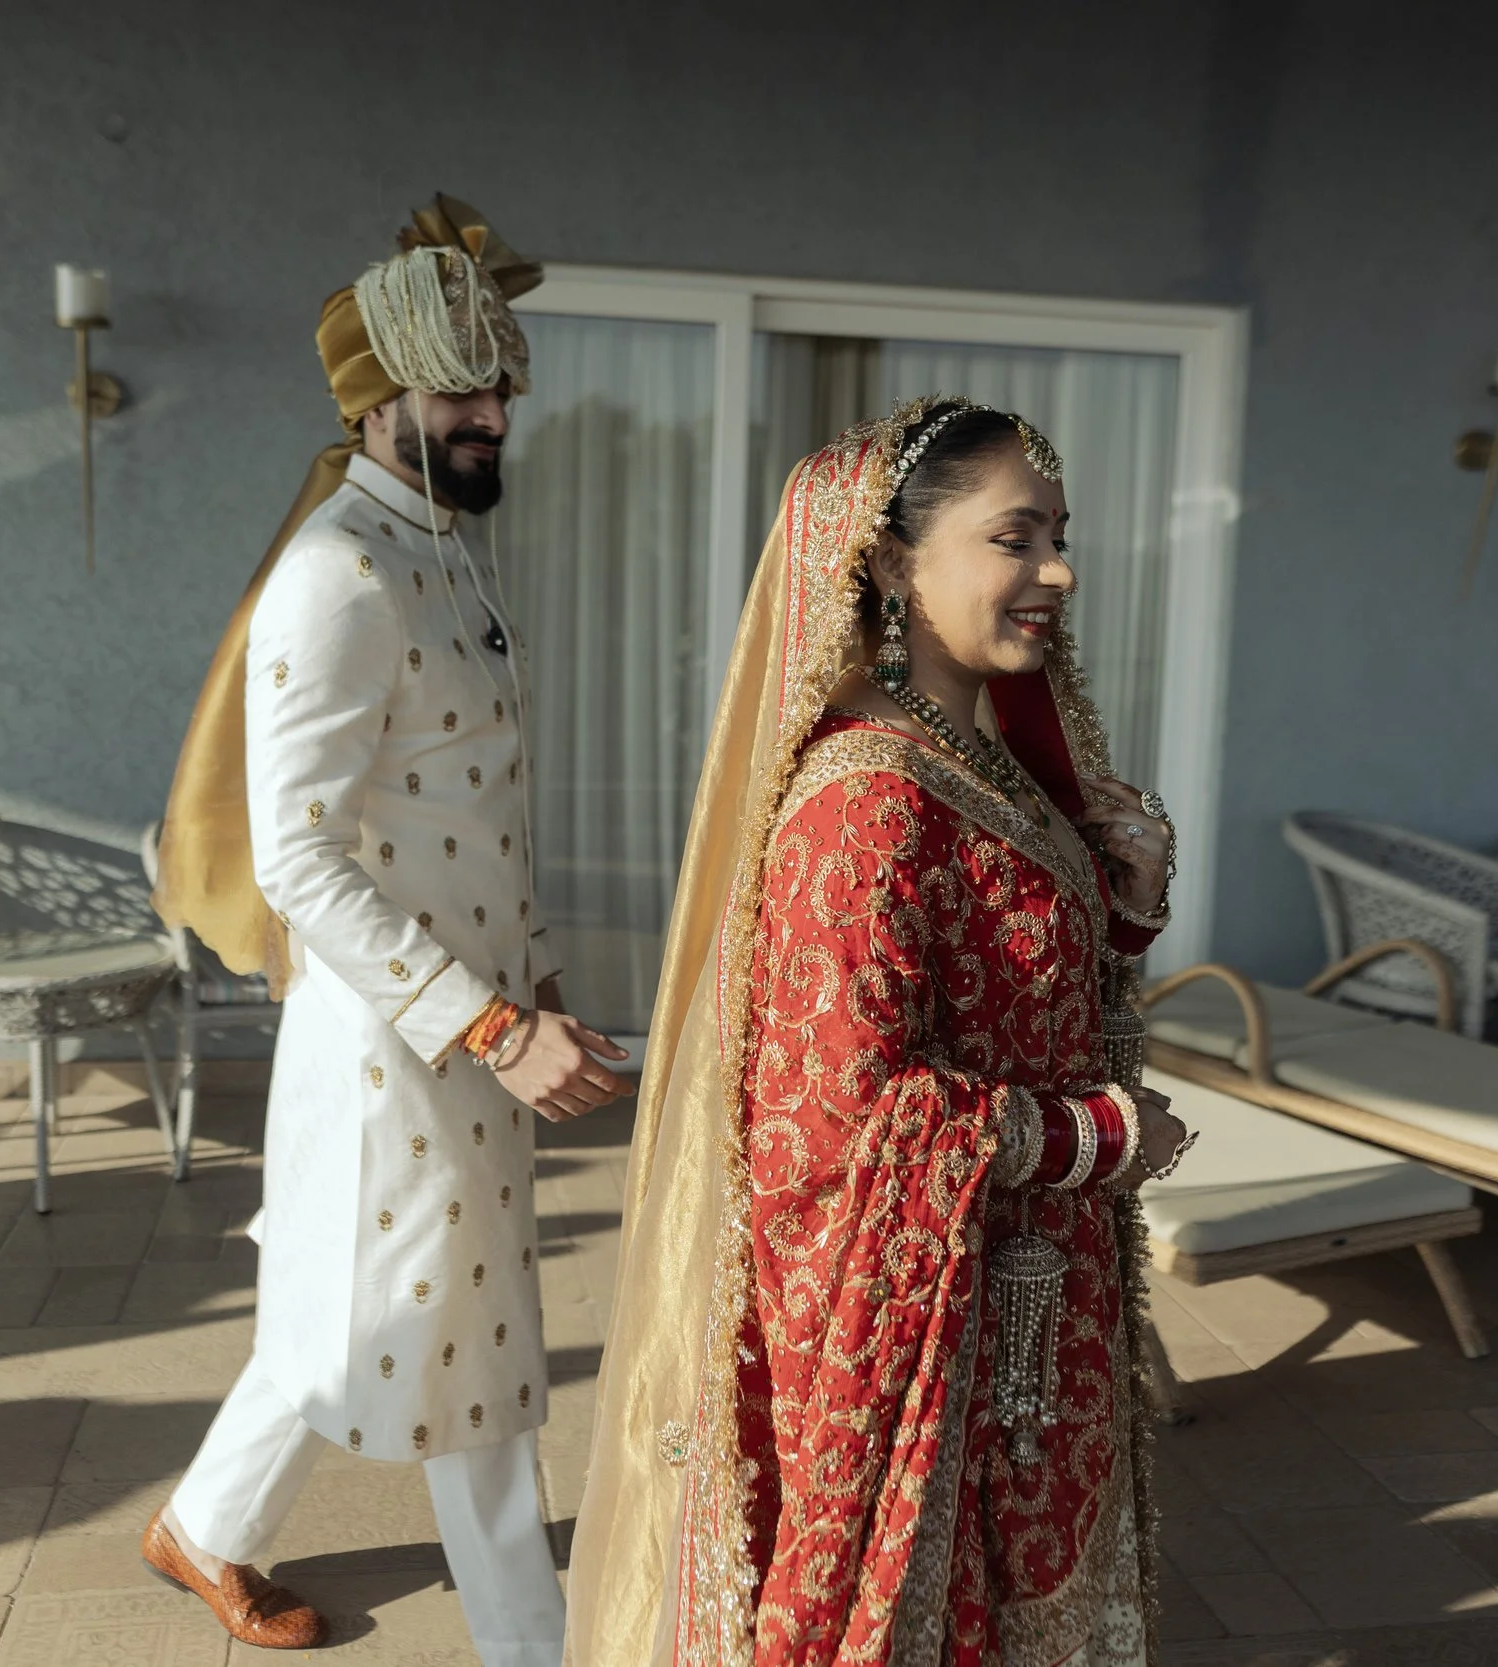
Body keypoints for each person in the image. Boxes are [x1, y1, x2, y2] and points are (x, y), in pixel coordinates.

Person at [564, 396, 1192, 1665]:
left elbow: (1019, 987)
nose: (1057, 570)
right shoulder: (867, 803)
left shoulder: (987, 760)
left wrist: (1122, 907)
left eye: (1059, 535)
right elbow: (841, 1115)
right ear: (894, 560)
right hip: (941, 1319)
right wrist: (1094, 1134)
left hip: (1024, 1283)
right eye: (1015, 538)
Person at [144, 194, 629, 1659]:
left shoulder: (448, 550)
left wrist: (535, 973)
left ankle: (200, 1530)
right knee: (464, 1350)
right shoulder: (338, 573)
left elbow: (476, 809)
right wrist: (486, 1020)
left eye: (499, 384)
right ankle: (532, 1643)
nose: (491, 412)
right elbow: (298, 854)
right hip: (394, 1051)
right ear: (379, 397)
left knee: (341, 1310)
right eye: (460, 389)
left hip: (471, 1026)